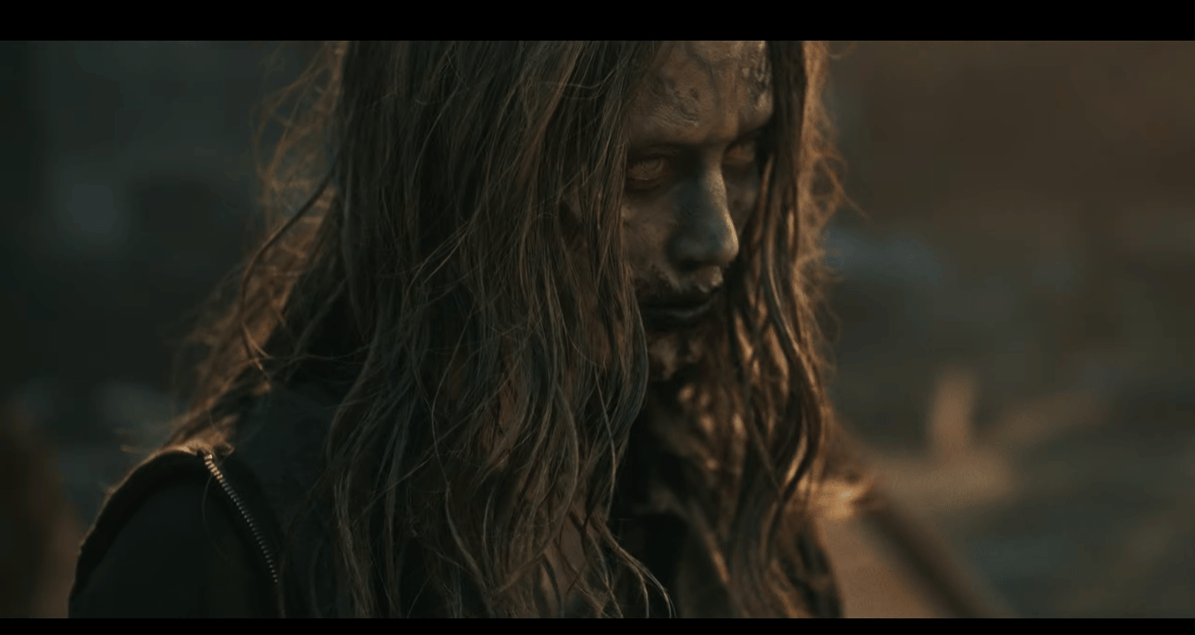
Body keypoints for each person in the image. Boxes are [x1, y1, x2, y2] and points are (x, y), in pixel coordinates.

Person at [68, 41, 870, 618]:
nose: (718, 236)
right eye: (645, 169)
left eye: (744, 154)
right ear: (465, 174)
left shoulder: (743, 533)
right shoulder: (222, 553)